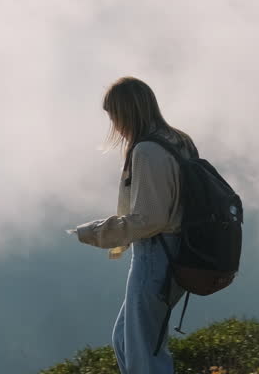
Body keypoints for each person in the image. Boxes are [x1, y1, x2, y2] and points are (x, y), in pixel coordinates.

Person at [74, 77, 197, 373]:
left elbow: (149, 220)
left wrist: (95, 233)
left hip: (156, 255)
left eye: (114, 115)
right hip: (183, 250)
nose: (114, 125)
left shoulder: (146, 151)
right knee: (126, 340)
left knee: (143, 350)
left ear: (126, 112)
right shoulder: (179, 140)